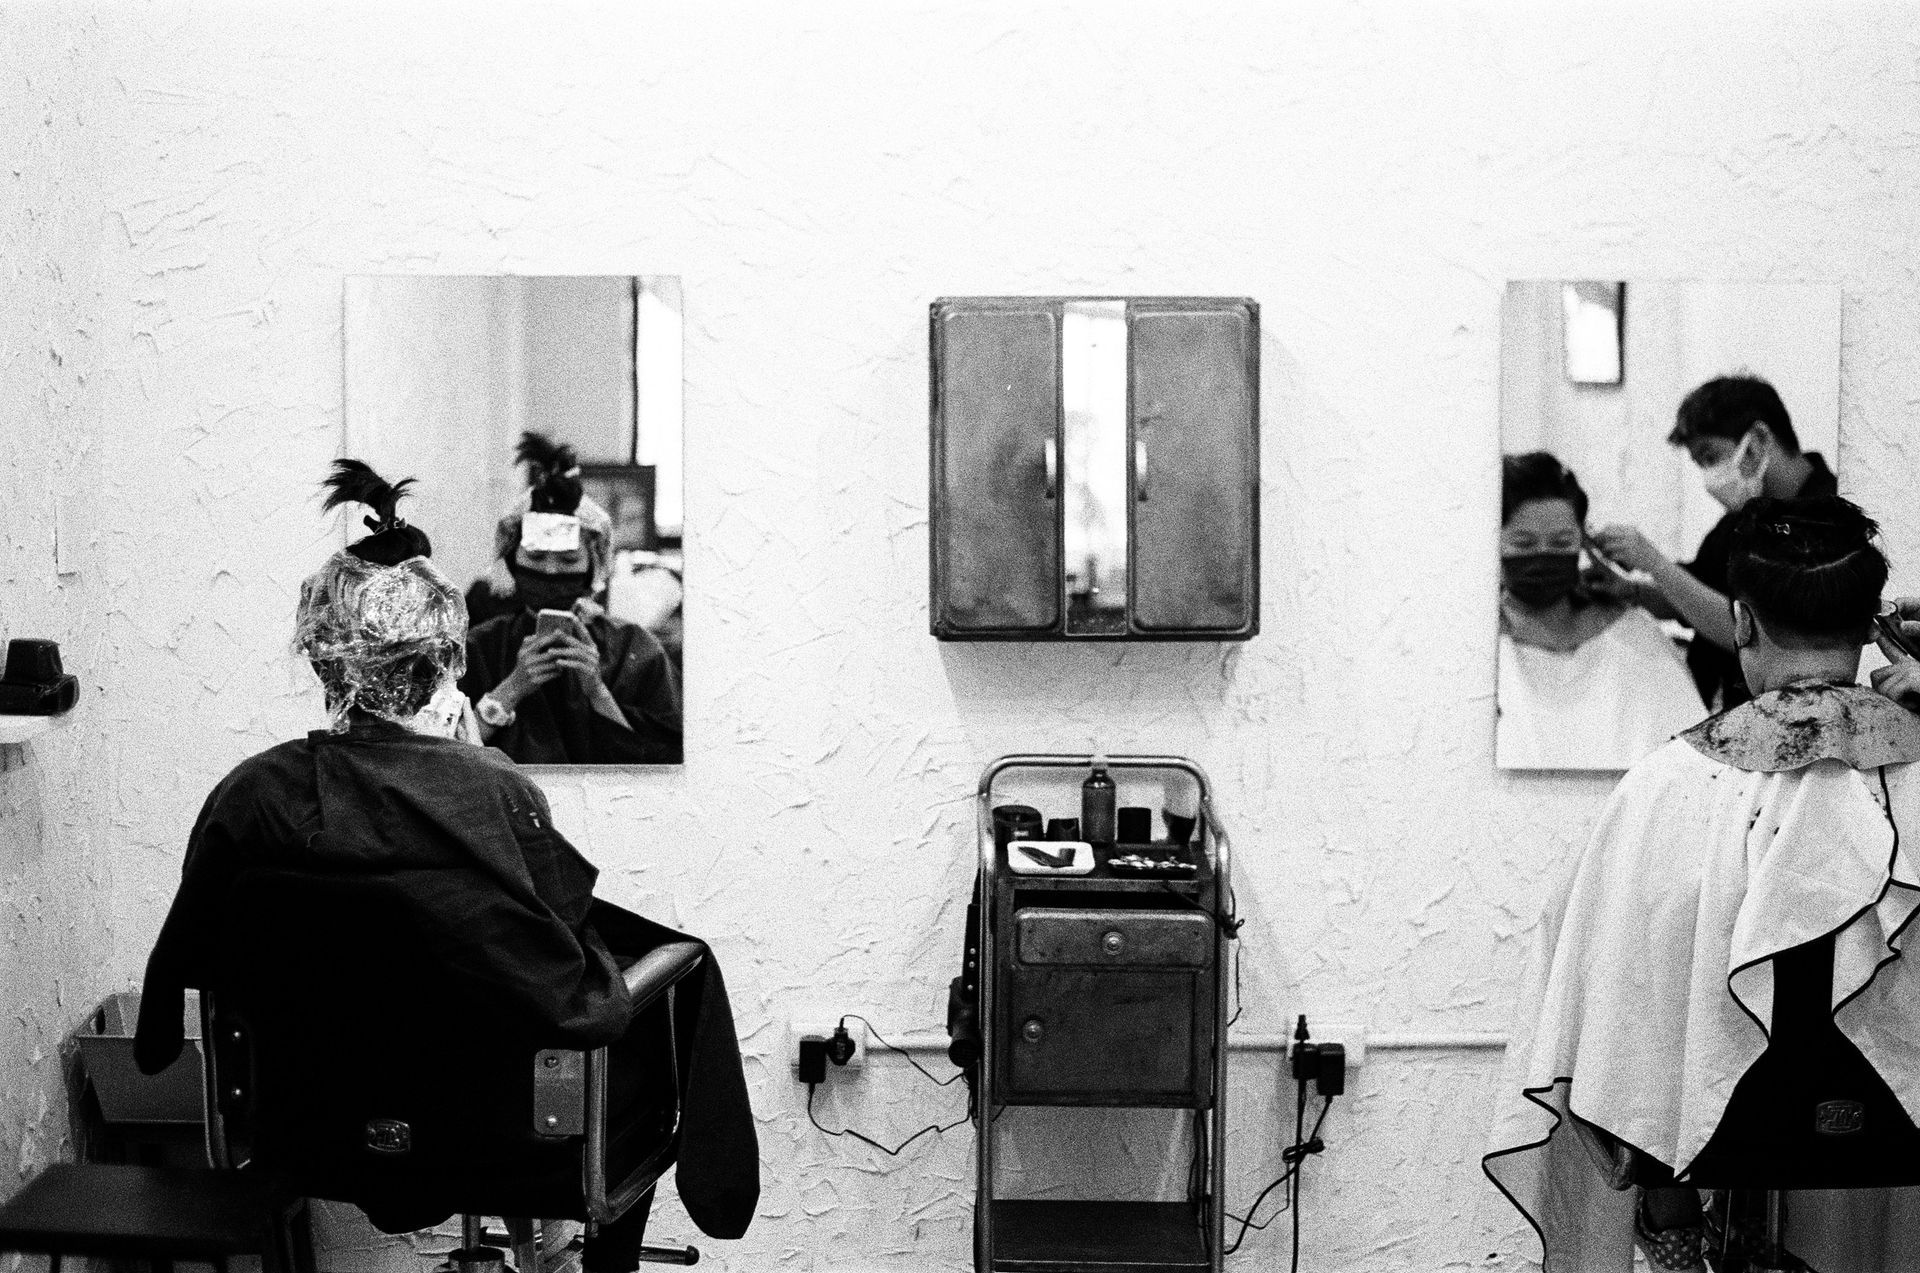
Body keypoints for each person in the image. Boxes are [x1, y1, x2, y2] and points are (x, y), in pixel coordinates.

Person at [132, 461, 756, 1268]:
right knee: (655, 997)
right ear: (443, 660)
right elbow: (573, 985)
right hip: (499, 1146)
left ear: (324, 661)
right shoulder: (492, 792)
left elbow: (182, 962)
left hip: (307, 1132)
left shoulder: (248, 796)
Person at [1485, 495, 1920, 1272]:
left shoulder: (1666, 788)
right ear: (1868, 626)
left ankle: (1676, 1223)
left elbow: (1607, 1005)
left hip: (1723, 1137)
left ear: (1743, 622)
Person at [1592, 375, 1837, 713]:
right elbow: (1697, 596)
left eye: (1711, 457)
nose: (1710, 477)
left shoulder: (1830, 520)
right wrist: (1631, 592)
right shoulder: (1743, 517)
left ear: (1759, 440)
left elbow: (1749, 635)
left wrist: (1655, 564)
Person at [461, 433, 682, 765]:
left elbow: (669, 761)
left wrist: (596, 691)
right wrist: (512, 689)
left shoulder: (636, 649)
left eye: (566, 561)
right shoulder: (480, 648)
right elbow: (448, 758)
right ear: (512, 561)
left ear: (593, 566)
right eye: (535, 558)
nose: (550, 572)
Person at [1496, 453, 1704, 769]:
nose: (1544, 555)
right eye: (1523, 544)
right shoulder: (1482, 652)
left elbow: (1686, 761)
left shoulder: (1632, 636)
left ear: (1583, 541)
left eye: (1561, 541)